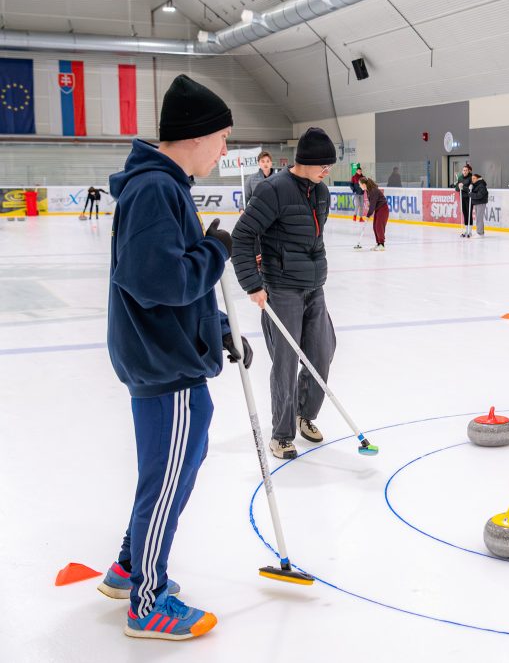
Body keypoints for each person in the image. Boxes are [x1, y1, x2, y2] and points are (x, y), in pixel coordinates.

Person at [100, 74, 251, 641]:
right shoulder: (157, 190)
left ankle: (126, 566)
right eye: (224, 138)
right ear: (198, 135)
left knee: (165, 473)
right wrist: (216, 250)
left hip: (166, 353)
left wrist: (214, 328)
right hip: (166, 367)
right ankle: (147, 600)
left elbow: (168, 291)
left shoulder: (162, 187)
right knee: (167, 481)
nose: (225, 150)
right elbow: (159, 280)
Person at [231, 127, 337, 460]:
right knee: (286, 362)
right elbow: (243, 235)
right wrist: (253, 283)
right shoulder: (272, 190)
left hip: (314, 286)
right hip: (281, 289)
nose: (328, 171)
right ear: (307, 162)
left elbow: (314, 240)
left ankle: (304, 413)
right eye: (324, 164)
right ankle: (281, 434)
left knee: (323, 352)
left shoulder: (322, 193)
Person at [360, 176, 389, 250]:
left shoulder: (373, 190)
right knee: (375, 226)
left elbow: (373, 205)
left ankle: (382, 244)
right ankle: (379, 243)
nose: (360, 186)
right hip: (378, 209)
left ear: (364, 184)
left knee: (379, 226)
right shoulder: (368, 190)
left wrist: (368, 215)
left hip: (383, 209)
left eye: (360, 184)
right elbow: (372, 203)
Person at [455, 163, 473, 237]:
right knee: (465, 214)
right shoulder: (460, 178)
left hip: (469, 198)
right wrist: (458, 187)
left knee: (469, 214)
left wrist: (464, 187)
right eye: (463, 170)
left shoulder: (471, 178)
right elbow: (456, 189)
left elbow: (470, 189)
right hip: (462, 197)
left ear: (468, 171)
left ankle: (470, 231)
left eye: (466, 170)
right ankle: (465, 230)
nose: (464, 172)